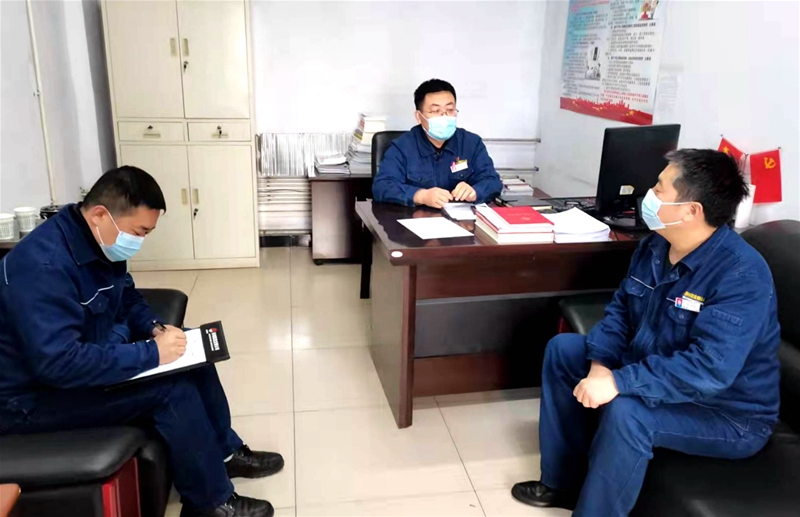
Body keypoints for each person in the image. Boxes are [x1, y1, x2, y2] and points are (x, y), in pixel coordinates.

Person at [0, 167, 283, 517]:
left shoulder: (96, 241)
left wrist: (154, 330)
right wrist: (150, 354)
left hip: (85, 355)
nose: (139, 241)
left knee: (192, 348)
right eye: (139, 232)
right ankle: (210, 504)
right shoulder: (42, 267)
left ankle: (225, 453)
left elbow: (128, 297)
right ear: (100, 214)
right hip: (31, 401)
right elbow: (59, 364)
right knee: (170, 390)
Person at [512, 149, 780, 516]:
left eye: (659, 188)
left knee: (628, 412)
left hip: (725, 412)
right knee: (564, 350)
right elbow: (621, 310)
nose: (648, 195)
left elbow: (708, 369)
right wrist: (601, 366)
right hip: (656, 368)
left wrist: (620, 382)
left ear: (691, 210)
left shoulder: (741, 274)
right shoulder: (657, 244)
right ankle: (562, 483)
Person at [372, 79, 503, 208]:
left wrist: (475, 192)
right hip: (416, 218)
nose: (444, 117)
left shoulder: (471, 143)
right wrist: (421, 196)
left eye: (450, 110)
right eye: (435, 111)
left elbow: (493, 181)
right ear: (419, 116)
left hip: (462, 218)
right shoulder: (402, 147)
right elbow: (382, 186)